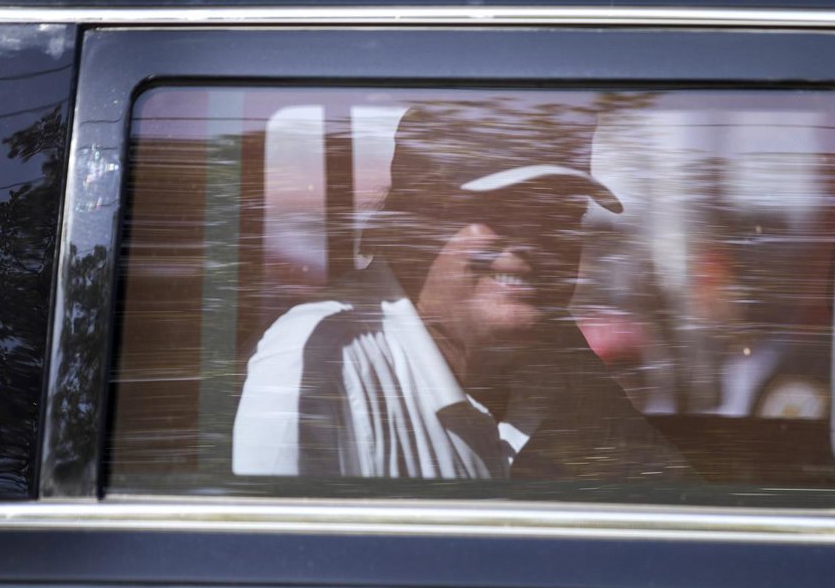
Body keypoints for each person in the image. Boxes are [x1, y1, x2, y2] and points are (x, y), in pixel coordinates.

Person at [232, 102, 691, 481]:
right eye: (500, 212)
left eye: (562, 217)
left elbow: (665, 504)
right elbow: (277, 555)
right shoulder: (320, 356)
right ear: (416, 221)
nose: (534, 243)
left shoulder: (556, 351)